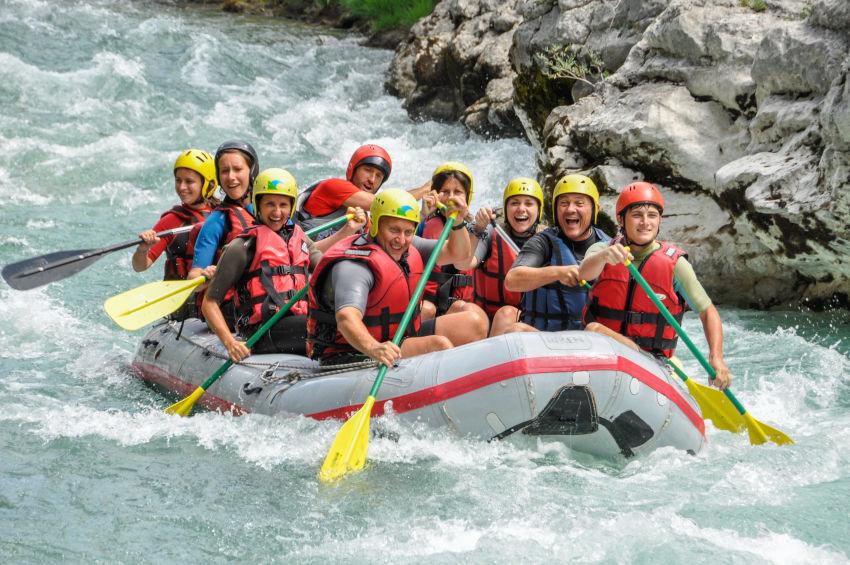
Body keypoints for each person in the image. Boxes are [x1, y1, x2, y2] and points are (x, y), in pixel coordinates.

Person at [306, 188, 488, 367]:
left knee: (473, 324)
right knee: (439, 346)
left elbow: (459, 254)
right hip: (350, 351)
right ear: (376, 225)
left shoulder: (409, 246)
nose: (401, 240)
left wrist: (456, 223)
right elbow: (346, 317)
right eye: (394, 230)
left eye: (408, 232)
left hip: (399, 336)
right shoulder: (355, 265)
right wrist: (374, 348)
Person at [202, 168, 368, 361]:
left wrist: (351, 233)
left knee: (348, 318)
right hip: (262, 331)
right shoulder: (242, 246)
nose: (277, 212)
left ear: (291, 207)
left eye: (283, 205)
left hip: (299, 320)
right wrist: (230, 343)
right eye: (269, 204)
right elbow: (209, 302)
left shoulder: (297, 237)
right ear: (258, 205)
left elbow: (324, 266)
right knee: (330, 326)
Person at [578, 181, 732, 389]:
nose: (645, 222)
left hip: (651, 362)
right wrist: (605, 256)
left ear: (659, 220)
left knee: (595, 329)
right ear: (620, 219)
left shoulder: (675, 264)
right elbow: (584, 273)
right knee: (594, 329)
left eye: (652, 215)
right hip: (600, 356)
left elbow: (707, 311)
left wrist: (716, 358)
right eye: (637, 215)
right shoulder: (602, 249)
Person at [503, 174, 611, 332]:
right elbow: (512, 280)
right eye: (564, 203)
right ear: (555, 209)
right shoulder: (542, 242)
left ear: (595, 209)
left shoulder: (610, 245)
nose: (570, 209)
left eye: (579, 203)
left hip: (591, 344)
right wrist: (557, 273)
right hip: (545, 339)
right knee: (516, 330)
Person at [294, 144, 431, 240]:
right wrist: (425, 189)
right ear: (352, 169)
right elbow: (391, 204)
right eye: (368, 170)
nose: (372, 179)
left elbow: (389, 239)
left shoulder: (363, 217)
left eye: (378, 176)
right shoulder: (333, 187)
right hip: (306, 258)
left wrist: (423, 214)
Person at [463, 177, 544, 336]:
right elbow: (465, 263)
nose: (521, 208)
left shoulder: (549, 240)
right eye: (514, 203)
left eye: (528, 203)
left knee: (506, 314)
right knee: (464, 308)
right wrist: (478, 227)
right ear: (506, 209)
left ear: (538, 210)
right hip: (487, 318)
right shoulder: (490, 232)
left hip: (527, 322)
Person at [132, 149, 218, 280]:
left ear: (209, 185)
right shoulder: (171, 221)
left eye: (189, 181)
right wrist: (143, 249)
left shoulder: (222, 214)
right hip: (184, 297)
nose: (182, 187)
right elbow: (140, 266)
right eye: (178, 180)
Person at [187, 140, 260, 282]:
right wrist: (204, 275)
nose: (231, 177)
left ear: (252, 171)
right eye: (225, 171)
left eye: (237, 169)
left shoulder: (272, 210)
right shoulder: (216, 221)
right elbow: (194, 277)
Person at [418, 162, 481, 321]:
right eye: (445, 191)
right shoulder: (423, 222)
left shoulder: (475, 227)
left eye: (458, 192)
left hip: (457, 304)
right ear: (435, 194)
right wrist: (422, 215)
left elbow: (464, 262)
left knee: (470, 312)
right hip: (426, 304)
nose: (451, 197)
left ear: (467, 196)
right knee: (427, 309)